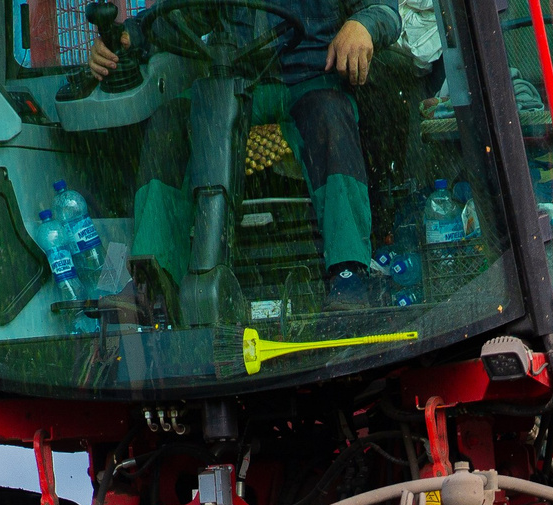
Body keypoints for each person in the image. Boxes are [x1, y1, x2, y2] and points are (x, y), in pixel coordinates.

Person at [90, 0, 402, 316]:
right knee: (170, 122)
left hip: (312, 80)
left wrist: (364, 24)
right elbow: (186, 14)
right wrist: (131, 33)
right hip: (234, 83)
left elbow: (385, 11)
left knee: (331, 116)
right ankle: (152, 284)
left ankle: (348, 272)